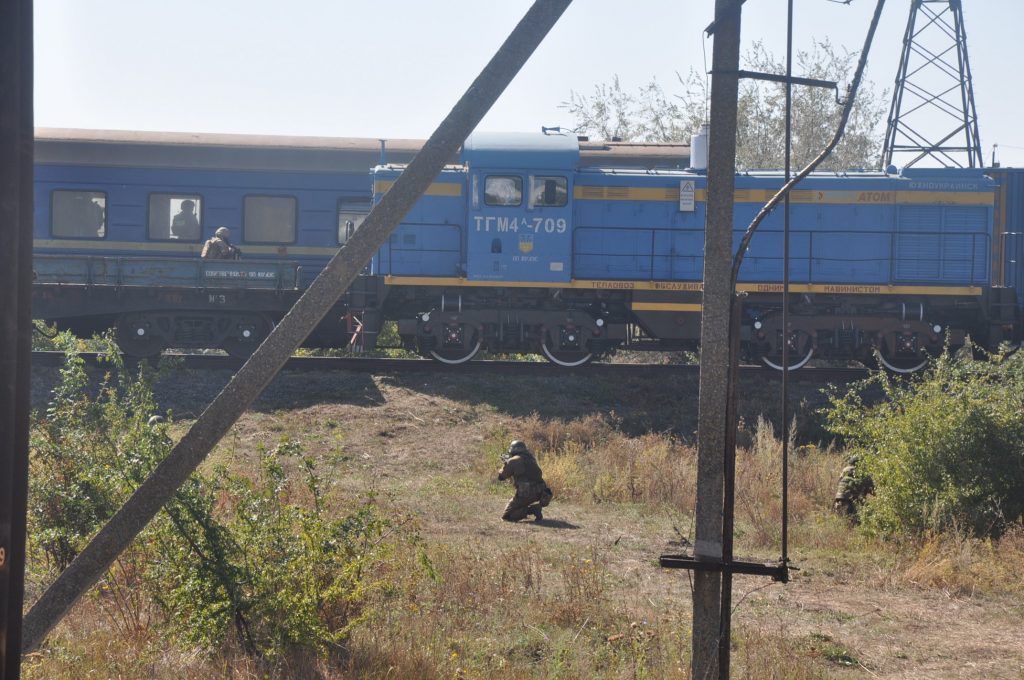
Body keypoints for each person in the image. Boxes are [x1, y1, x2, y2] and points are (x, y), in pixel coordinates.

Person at [498, 440, 553, 522]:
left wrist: (505, 464)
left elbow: (501, 477)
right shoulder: (531, 458)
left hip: (526, 493)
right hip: (541, 490)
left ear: (513, 450)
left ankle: (531, 510)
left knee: (507, 517)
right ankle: (534, 509)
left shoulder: (513, 461)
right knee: (519, 504)